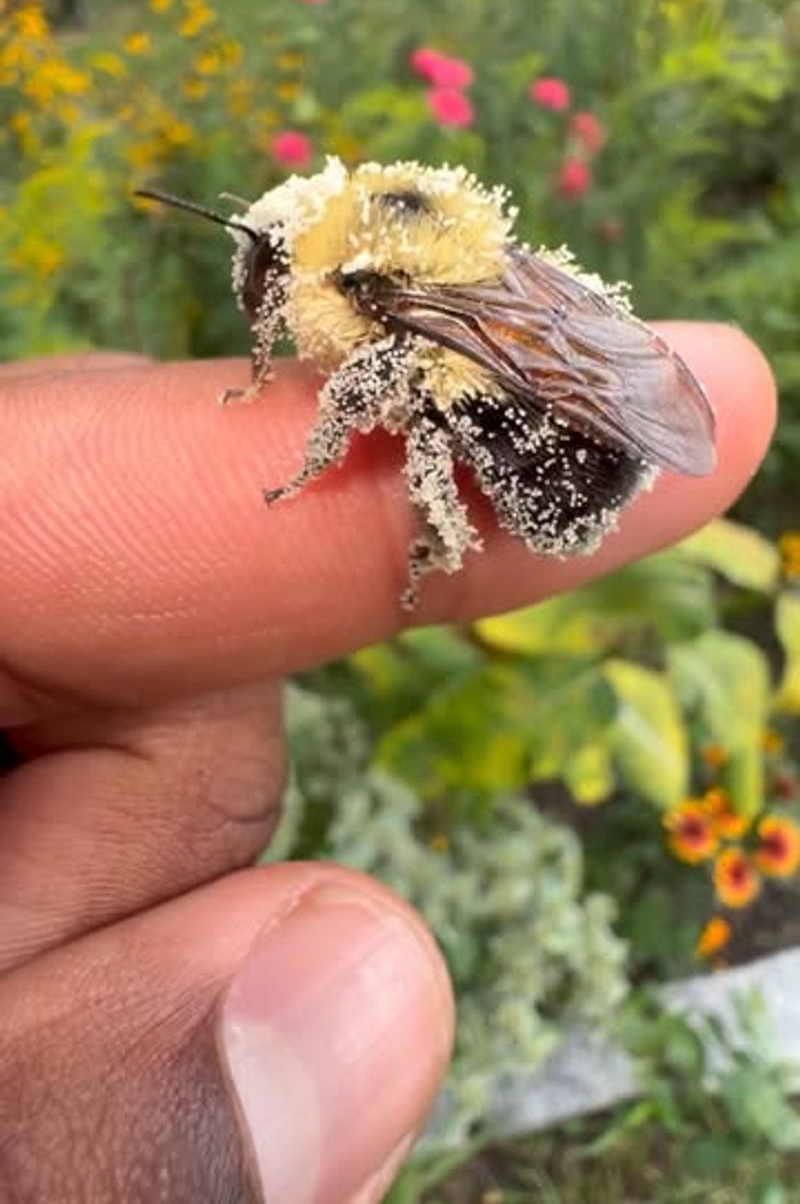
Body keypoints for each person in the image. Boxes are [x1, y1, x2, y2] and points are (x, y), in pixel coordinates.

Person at [0, 329, 775, 1203]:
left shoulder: (386, 312)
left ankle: (439, 536)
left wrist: (305, 471)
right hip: (566, 440)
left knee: (431, 413)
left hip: (550, 473)